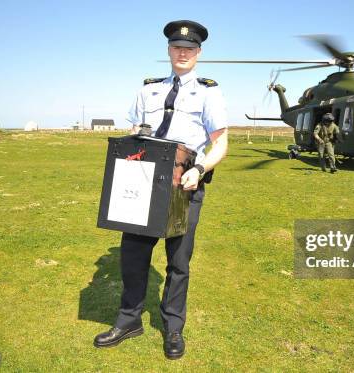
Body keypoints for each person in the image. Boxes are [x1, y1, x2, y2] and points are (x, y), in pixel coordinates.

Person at [93, 20, 228, 360]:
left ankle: (173, 328)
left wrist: (199, 169)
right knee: (133, 257)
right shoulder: (147, 90)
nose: (183, 53)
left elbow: (221, 143)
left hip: (185, 185)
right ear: (168, 50)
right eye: (177, 47)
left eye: (190, 49)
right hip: (144, 185)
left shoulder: (209, 92)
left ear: (198, 53)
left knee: (178, 262)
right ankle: (128, 321)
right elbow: (134, 132)